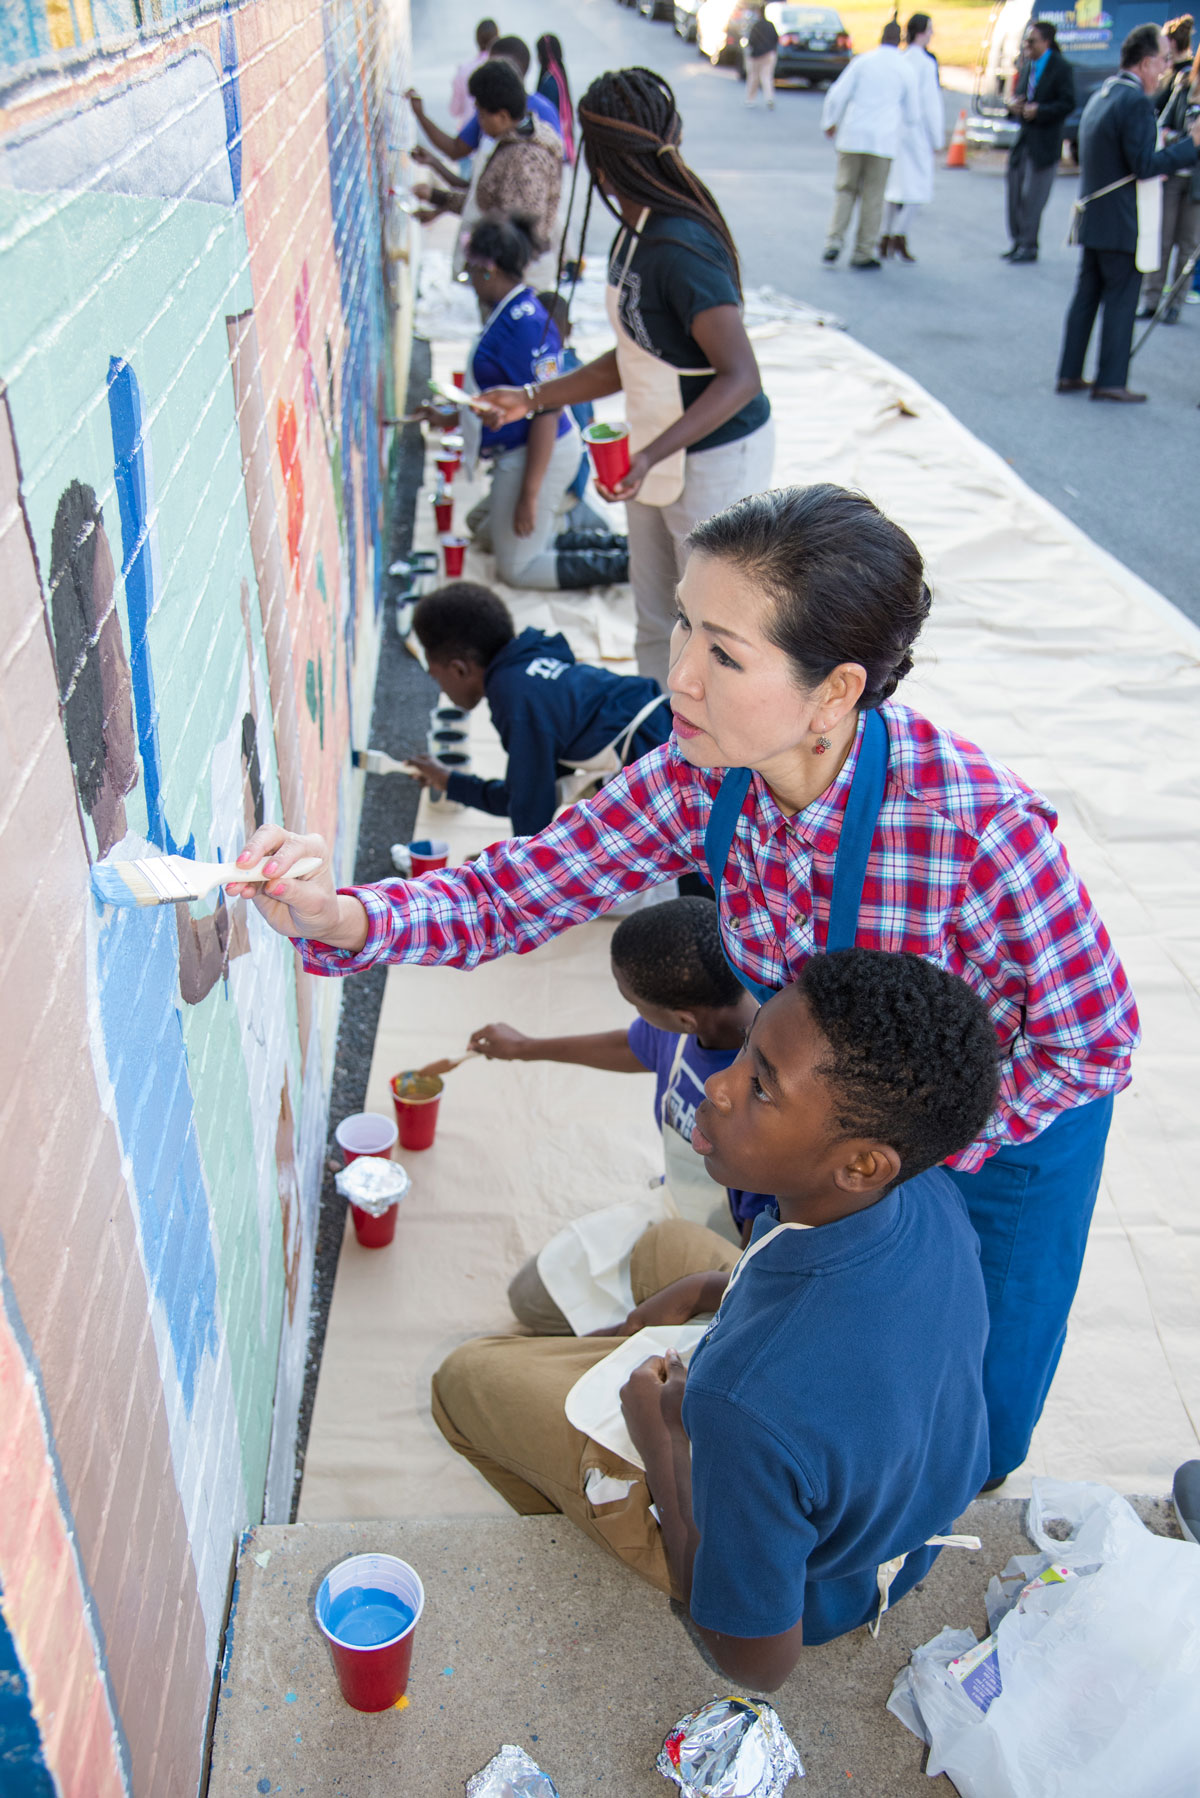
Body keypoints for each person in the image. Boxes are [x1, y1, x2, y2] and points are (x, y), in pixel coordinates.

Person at [231, 481, 1141, 1492]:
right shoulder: (700, 774)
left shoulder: (976, 833)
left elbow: (1095, 1044)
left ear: (835, 691)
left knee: (974, 1400)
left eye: (726, 656)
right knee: (849, 1374)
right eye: (683, 630)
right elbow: (516, 889)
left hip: (1003, 1140)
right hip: (840, 1138)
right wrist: (344, 918)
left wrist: (900, 1164)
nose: (680, 682)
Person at [431, 950, 999, 1683]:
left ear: (861, 1164)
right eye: (747, 1051)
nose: (719, 1087)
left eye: (761, 1088)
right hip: (890, 1494)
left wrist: (665, 1439)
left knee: (465, 1379)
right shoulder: (927, 1195)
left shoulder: (743, 1405)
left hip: (815, 1590)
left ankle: (600, 1525)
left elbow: (759, 1665)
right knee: (665, 1246)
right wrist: (707, 1288)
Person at [477, 67, 773, 690]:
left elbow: (741, 377)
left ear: (604, 158)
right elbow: (634, 354)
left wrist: (651, 454)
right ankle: (655, 732)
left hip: (713, 455)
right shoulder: (634, 235)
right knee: (656, 616)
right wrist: (531, 398)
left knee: (713, 629)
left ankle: (714, 744)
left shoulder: (682, 248)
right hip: (653, 446)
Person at [471, 899, 769, 1340]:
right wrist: (524, 1047)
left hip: (724, 1252)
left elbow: (751, 1257)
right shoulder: (690, 1027)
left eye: (633, 1002)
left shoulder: (760, 1112)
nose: (632, 1011)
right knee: (529, 1298)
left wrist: (661, 1317)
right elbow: (631, 1046)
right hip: (678, 1204)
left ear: (683, 1019)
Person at [434, 215, 620, 591]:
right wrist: (455, 414)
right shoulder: (515, 311)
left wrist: (529, 497)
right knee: (480, 528)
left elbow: (548, 410)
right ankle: (557, 528)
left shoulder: (525, 323)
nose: (469, 281)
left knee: (517, 569)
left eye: (470, 271)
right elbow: (507, 396)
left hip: (539, 454)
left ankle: (626, 563)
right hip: (520, 450)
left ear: (488, 268)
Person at [404, 581, 669, 836]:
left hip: (659, 765)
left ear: (458, 669)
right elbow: (526, 794)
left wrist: (513, 862)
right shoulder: (530, 658)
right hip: (665, 724)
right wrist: (449, 782)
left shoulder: (515, 699)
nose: (442, 690)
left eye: (436, 677)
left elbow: (530, 815)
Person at [1056, 23, 1200, 402]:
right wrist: (1191, 145)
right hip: (1122, 219)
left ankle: (1070, 372)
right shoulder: (1135, 102)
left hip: (1095, 213)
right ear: (1146, 62)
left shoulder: (1105, 92)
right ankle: (1111, 380)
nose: (1165, 69)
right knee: (1120, 301)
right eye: (1163, 61)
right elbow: (1144, 165)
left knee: (1087, 298)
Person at [415, 64, 564, 283]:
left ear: (502, 116)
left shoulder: (524, 160)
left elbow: (520, 231)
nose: (480, 122)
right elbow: (491, 202)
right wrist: (437, 198)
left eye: (482, 115)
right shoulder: (512, 143)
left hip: (518, 276)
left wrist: (491, 274)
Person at [821, 22, 917, 270]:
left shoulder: (863, 62)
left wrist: (830, 121)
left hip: (853, 135)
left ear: (880, 37)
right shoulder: (905, 68)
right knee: (873, 197)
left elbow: (838, 94)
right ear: (900, 40)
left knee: (845, 190)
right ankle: (863, 251)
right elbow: (913, 113)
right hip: (883, 140)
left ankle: (834, 240)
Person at [1000, 20, 1074, 264]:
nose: (1027, 46)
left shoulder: (1060, 67)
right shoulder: (1028, 65)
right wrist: (1013, 106)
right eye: (1025, 41)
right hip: (1024, 140)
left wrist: (1040, 111)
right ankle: (1017, 240)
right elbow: (1019, 95)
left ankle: (1029, 245)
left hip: (1044, 142)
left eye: (1031, 41)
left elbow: (1068, 103)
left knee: (1034, 197)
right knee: (1014, 191)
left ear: (1046, 42)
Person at [1139, 35, 1200, 321]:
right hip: (1174, 173)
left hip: (1197, 183)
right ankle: (1151, 300)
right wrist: (1184, 139)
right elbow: (1162, 124)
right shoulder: (1185, 84)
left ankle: (1174, 305)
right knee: (1161, 240)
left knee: (1188, 245)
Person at [880, 13, 945, 261]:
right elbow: (931, 104)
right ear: (922, 32)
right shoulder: (925, 64)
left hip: (896, 129)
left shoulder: (901, 59)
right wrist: (937, 137)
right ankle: (899, 233)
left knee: (894, 185)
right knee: (918, 186)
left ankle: (885, 234)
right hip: (917, 130)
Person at [449, 16, 498, 131]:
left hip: (468, 135)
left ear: (476, 40)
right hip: (496, 133)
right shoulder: (505, 70)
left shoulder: (464, 70)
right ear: (497, 38)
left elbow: (454, 110)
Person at [536, 33, 576, 162]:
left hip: (551, 145)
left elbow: (545, 118)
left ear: (541, 56)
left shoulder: (549, 82)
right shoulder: (559, 76)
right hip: (561, 142)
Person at [744, 5, 780, 110]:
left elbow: (751, 41)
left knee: (753, 77)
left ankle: (750, 100)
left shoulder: (756, 26)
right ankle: (769, 98)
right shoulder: (770, 25)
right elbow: (776, 38)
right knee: (766, 77)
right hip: (769, 54)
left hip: (757, 55)